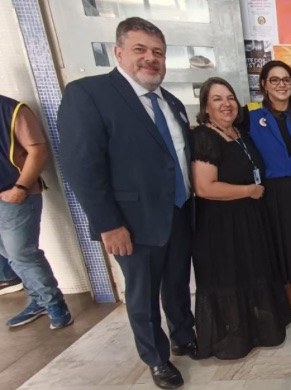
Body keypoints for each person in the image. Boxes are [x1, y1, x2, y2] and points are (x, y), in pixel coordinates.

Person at [57, 17, 196, 389]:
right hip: (132, 221)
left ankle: (184, 335)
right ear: (118, 52)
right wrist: (107, 223)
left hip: (179, 211)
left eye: (158, 53)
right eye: (140, 50)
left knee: (178, 282)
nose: (151, 59)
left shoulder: (172, 103)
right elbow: (81, 166)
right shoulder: (89, 94)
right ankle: (156, 357)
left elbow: (177, 158)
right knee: (143, 294)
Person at [190, 77, 291, 359]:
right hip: (221, 225)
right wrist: (248, 190)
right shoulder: (204, 137)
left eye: (230, 98)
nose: (226, 104)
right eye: (218, 99)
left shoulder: (238, 133)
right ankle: (233, 339)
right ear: (206, 107)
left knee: (250, 273)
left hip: (249, 218)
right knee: (229, 278)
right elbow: (204, 187)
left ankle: (257, 329)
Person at [246, 60, 291, 318]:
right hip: (270, 192)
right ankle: (285, 290)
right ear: (264, 84)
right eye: (274, 80)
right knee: (275, 244)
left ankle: (287, 283)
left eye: (286, 80)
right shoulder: (251, 116)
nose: (281, 85)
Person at [0, 95, 72, 328]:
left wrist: (20, 187)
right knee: (9, 254)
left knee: (22, 253)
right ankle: (38, 300)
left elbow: (38, 150)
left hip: (14, 195)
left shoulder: (12, 110)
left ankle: (55, 305)